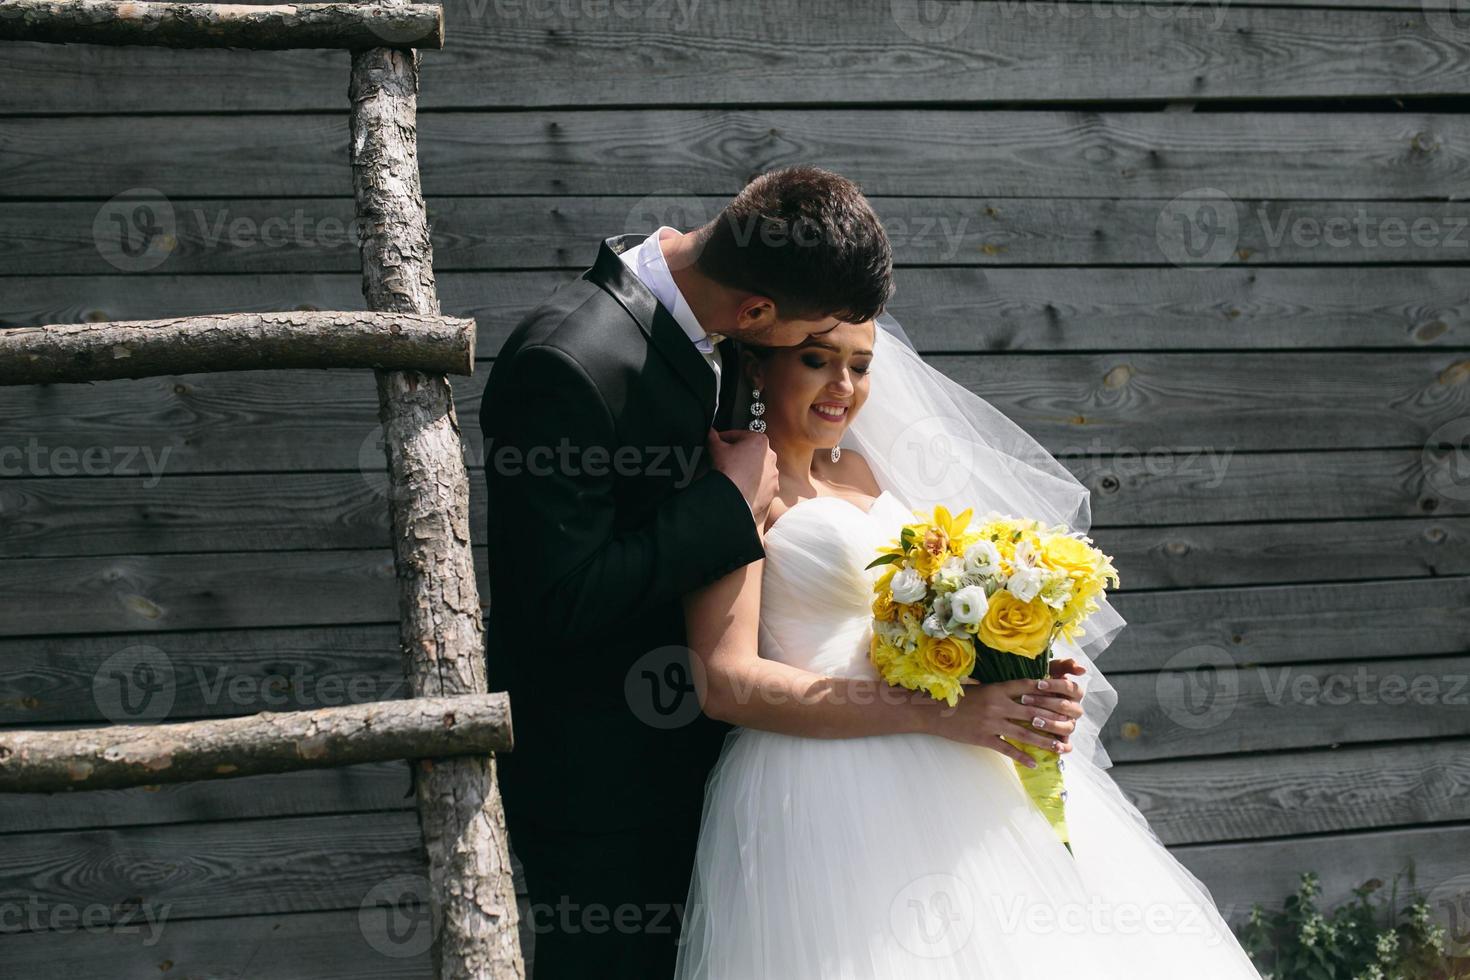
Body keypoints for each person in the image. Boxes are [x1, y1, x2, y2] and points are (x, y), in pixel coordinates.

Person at [673, 316, 1265, 978]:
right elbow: (725, 682)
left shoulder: (865, 471)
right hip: (820, 782)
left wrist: (1019, 674)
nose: (844, 385)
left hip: (954, 763)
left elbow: (926, 621)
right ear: (758, 366)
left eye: (860, 366)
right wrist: (942, 714)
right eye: (817, 360)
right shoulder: (739, 483)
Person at [478, 165, 898, 978]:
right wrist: (726, 507)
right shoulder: (567, 362)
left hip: (729, 774)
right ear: (756, 315)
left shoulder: (721, 332)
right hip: (605, 786)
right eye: (808, 346)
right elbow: (555, 600)